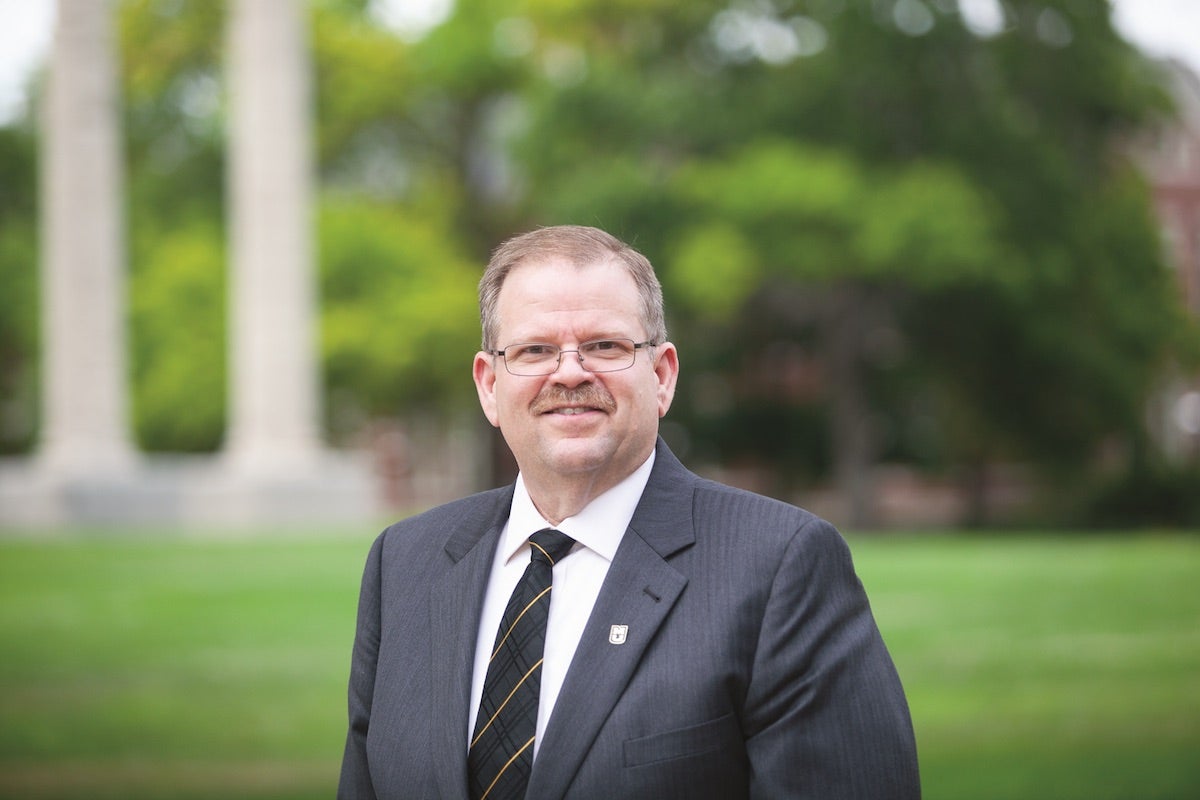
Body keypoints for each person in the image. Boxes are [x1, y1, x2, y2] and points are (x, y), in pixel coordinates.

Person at [337, 224, 920, 799]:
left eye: (604, 346)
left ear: (662, 376)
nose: (569, 372)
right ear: (490, 385)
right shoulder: (404, 565)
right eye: (535, 349)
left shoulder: (778, 567)